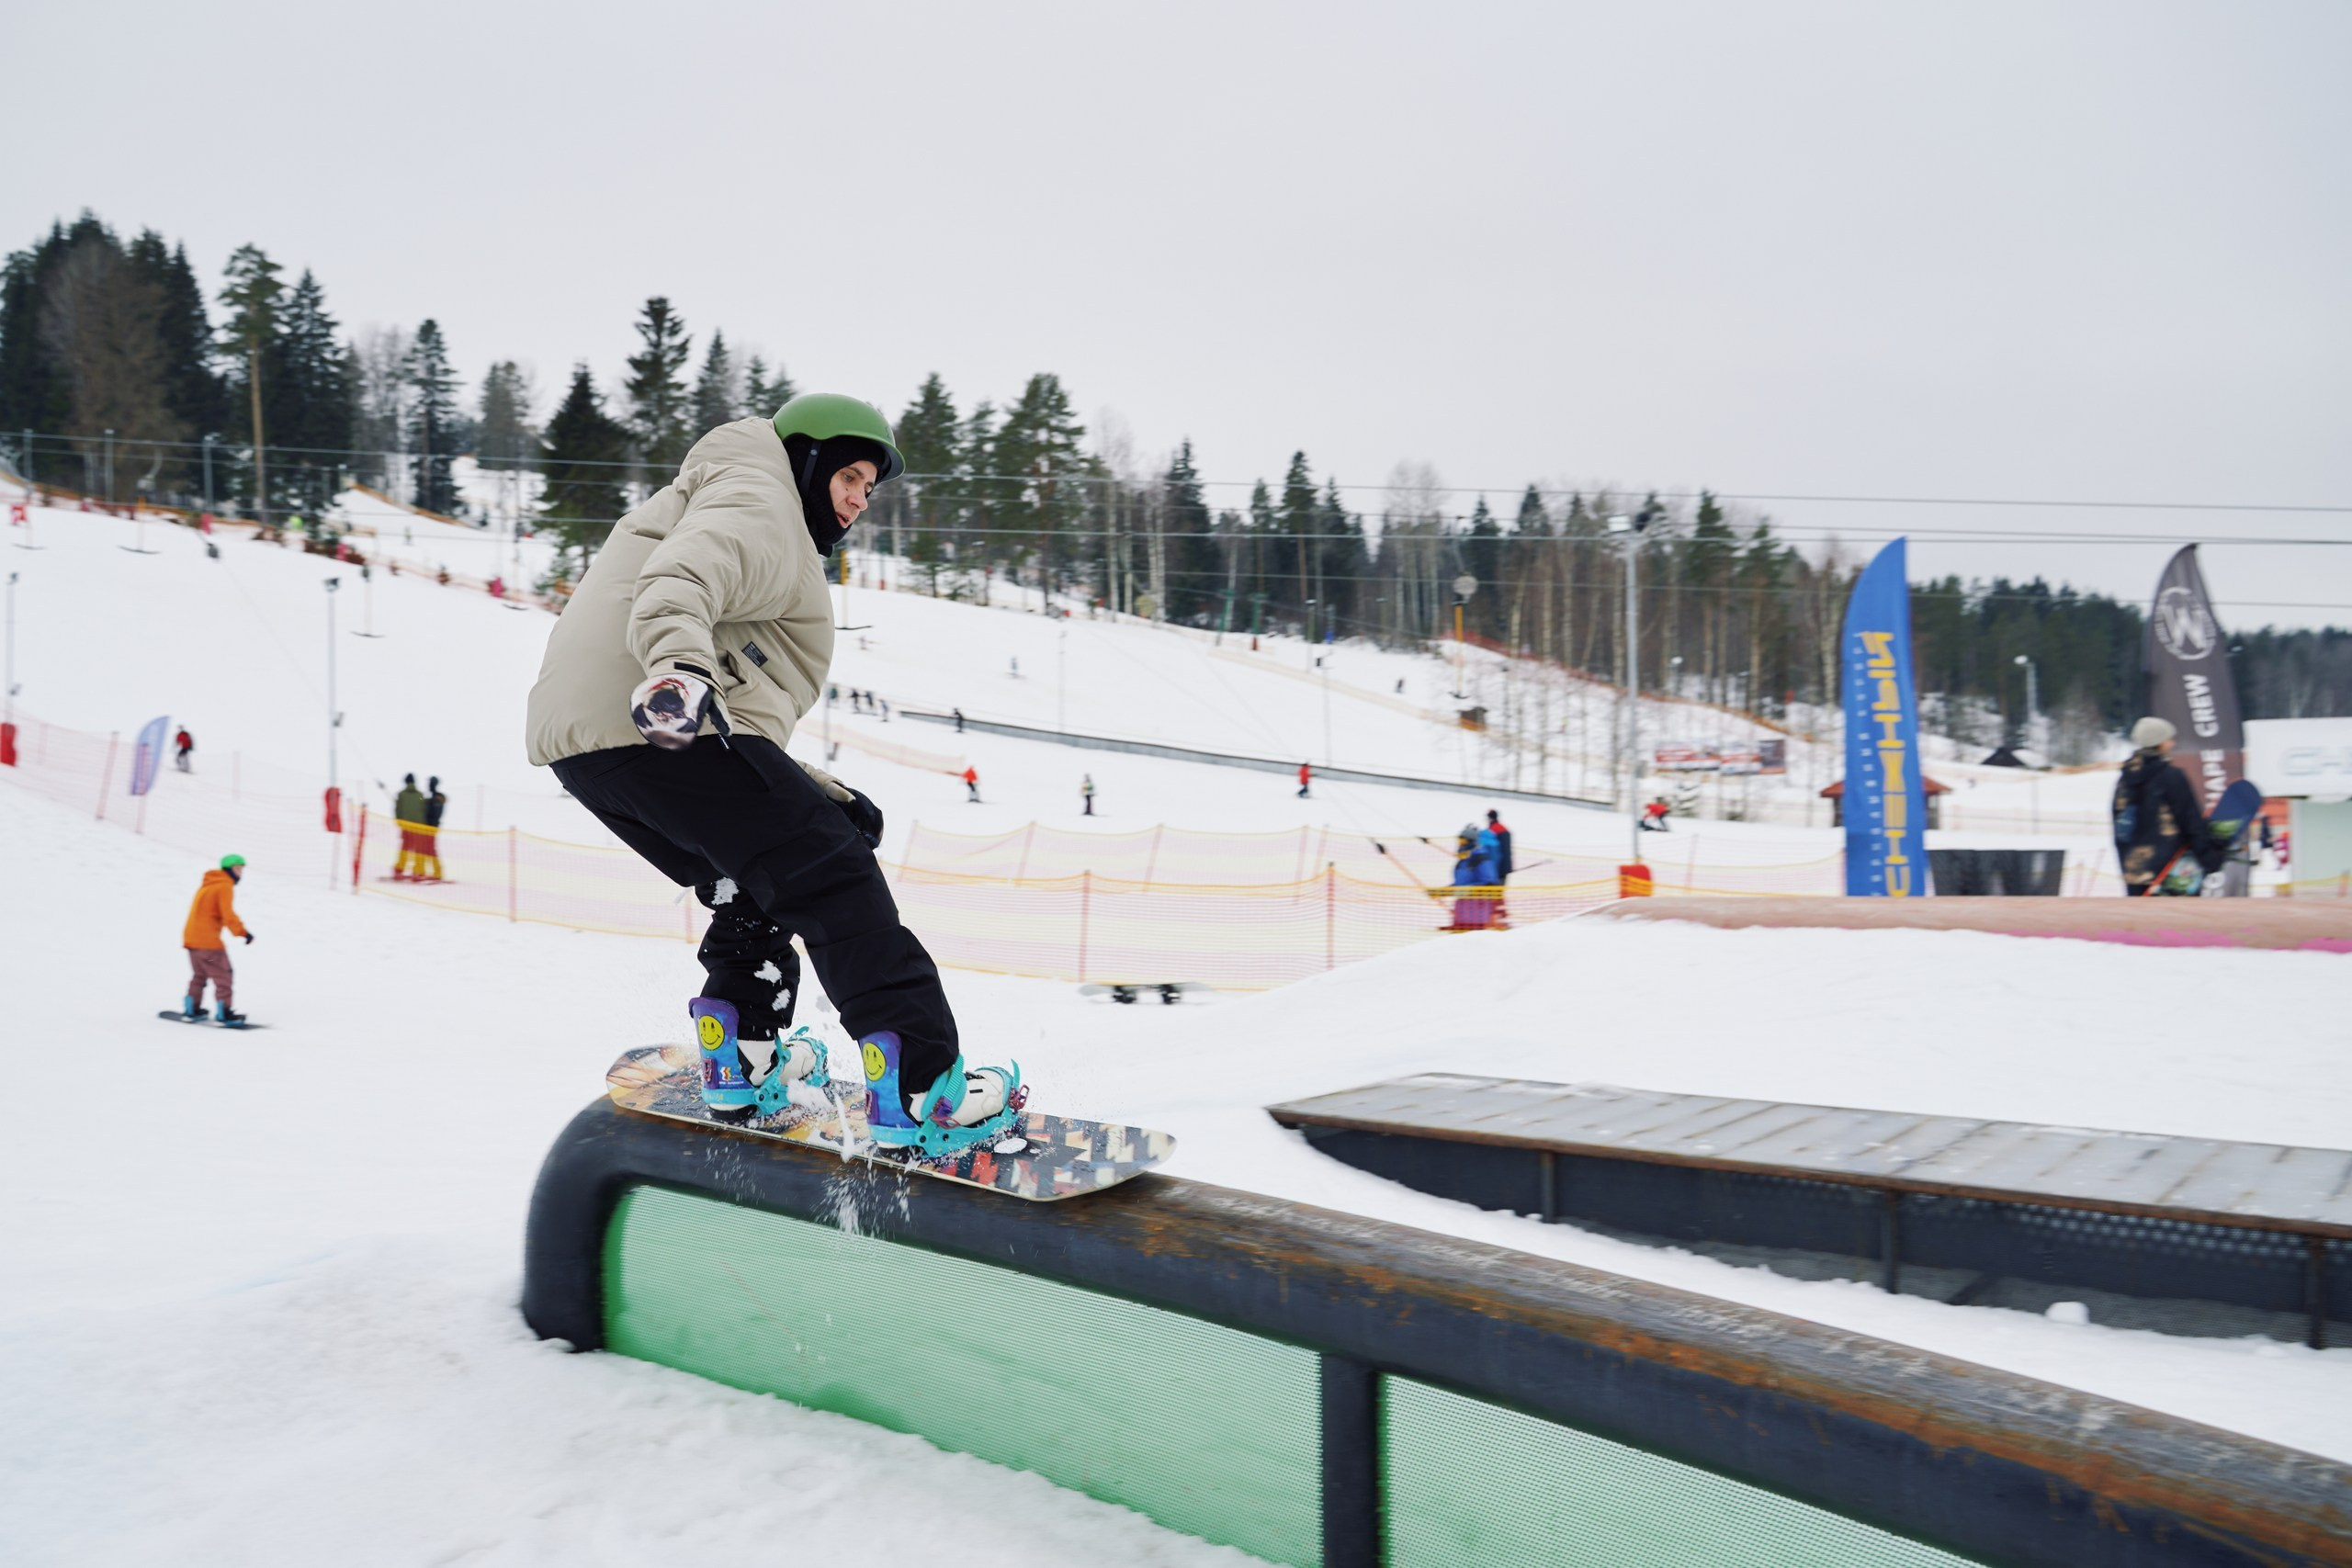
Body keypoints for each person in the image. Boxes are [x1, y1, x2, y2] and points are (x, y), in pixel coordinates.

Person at [525, 392, 1021, 1153]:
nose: (858, 500)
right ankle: (924, 1089)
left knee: (757, 878)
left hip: (595, 745)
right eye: (850, 476)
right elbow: (679, 582)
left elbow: (743, 708)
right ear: (807, 459)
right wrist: (678, 669)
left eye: (869, 487)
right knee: (834, 876)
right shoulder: (764, 499)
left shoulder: (739, 493)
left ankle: (741, 1054)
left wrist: (812, 792)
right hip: (658, 716)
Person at [2113, 716, 2220, 896]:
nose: (2172, 743)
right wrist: (2210, 857)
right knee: (2177, 923)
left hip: (2135, 873)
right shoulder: (2171, 777)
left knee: (2144, 923)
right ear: (2159, 743)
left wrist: (2127, 868)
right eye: (2169, 739)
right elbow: (2190, 821)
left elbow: (2120, 831)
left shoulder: (2124, 781)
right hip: (2171, 872)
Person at [179, 853, 254, 1027]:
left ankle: (192, 1008)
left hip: (192, 940)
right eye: (237, 869)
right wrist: (243, 933)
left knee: (200, 975)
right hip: (209, 944)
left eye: (241, 870)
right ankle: (224, 1013)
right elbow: (227, 915)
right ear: (228, 869)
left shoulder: (208, 885)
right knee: (223, 975)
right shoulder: (224, 886)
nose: (240, 874)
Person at [393, 773, 427, 879]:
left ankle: (399, 869)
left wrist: (399, 822)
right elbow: (423, 809)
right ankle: (419, 870)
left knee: (405, 849)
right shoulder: (420, 795)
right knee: (418, 849)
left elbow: (398, 810)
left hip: (406, 826)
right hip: (418, 827)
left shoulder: (401, 795)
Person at [420, 775, 448, 881]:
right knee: (424, 849)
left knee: (430, 849)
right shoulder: (431, 798)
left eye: (431, 783)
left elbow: (434, 813)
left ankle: (437, 871)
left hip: (431, 827)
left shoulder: (437, 798)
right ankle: (421, 870)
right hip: (426, 827)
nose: (429, 786)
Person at [1485, 808, 1513, 881]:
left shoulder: (1493, 830)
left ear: (1490, 818)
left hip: (1497, 867)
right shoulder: (1503, 828)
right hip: (1504, 866)